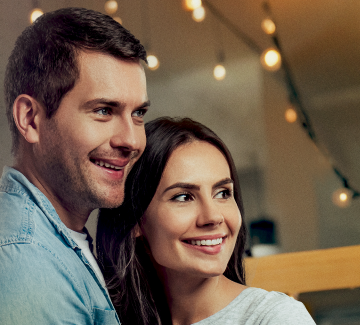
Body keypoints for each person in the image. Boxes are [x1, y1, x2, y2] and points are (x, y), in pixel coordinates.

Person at [0, 7, 149, 324]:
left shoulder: (61, 239)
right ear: (31, 119)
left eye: (138, 114)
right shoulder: (27, 264)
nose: (132, 140)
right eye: (104, 110)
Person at [97, 117, 316, 325]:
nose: (213, 217)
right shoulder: (104, 317)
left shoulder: (276, 318)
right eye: (183, 197)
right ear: (136, 219)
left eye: (222, 193)